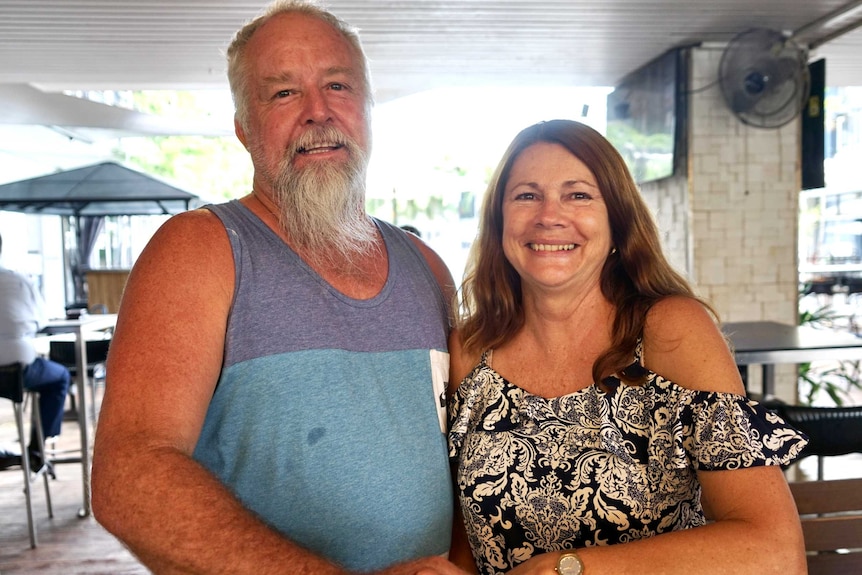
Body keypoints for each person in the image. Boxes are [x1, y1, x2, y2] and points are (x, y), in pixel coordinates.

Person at [91, 2, 468, 574]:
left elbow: (468, 462)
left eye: (338, 85)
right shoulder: (200, 250)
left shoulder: (427, 265)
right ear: (244, 127)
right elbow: (130, 472)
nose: (318, 113)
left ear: (368, 111)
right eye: (283, 93)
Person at [446, 119, 809, 575]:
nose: (549, 215)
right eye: (526, 195)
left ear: (617, 222)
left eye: (578, 194)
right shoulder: (471, 349)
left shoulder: (669, 330)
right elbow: (464, 543)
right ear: (500, 222)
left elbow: (774, 552)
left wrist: (567, 568)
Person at [0, 231, 71, 472]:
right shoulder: (17, 280)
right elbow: (41, 321)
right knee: (60, 377)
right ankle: (37, 449)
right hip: (17, 368)